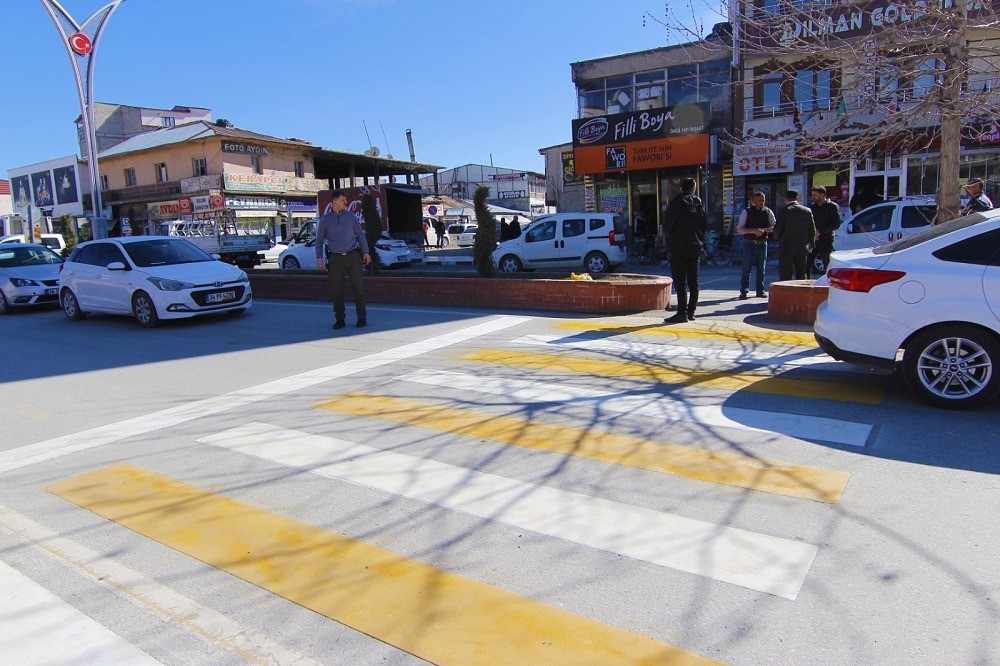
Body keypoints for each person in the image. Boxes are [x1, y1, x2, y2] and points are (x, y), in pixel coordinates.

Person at [315, 190, 372, 329]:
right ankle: (340, 319)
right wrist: (319, 258)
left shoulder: (350, 216)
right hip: (335, 259)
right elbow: (319, 240)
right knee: (337, 291)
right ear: (334, 201)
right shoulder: (325, 219)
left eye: (346, 200)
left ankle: (362, 318)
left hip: (352, 256)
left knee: (358, 289)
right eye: (342, 200)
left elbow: (360, 235)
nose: (345, 202)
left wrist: (366, 252)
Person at [662, 178, 707, 323]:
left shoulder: (676, 203)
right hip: (695, 247)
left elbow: (668, 226)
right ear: (693, 189)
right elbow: (705, 225)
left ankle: (682, 314)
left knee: (681, 282)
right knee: (694, 281)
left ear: (681, 188)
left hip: (679, 247)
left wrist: (670, 239)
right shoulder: (699, 202)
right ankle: (691, 312)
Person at [736, 191, 775, 299]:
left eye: (763, 200)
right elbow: (740, 229)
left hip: (762, 243)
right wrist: (753, 231)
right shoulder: (747, 212)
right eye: (759, 200)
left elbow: (775, 227)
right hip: (749, 243)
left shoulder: (767, 212)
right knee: (746, 268)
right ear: (753, 201)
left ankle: (760, 290)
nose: (762, 202)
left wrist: (764, 230)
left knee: (761, 269)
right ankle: (744, 291)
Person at [774, 190, 816, 282]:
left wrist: (777, 238)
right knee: (801, 273)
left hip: (786, 247)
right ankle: (800, 294)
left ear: (786, 199)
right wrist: (811, 244)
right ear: (797, 198)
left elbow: (777, 229)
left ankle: (786, 294)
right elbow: (812, 229)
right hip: (802, 247)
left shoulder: (784, 211)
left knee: (785, 274)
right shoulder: (807, 211)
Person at [808, 187, 841, 277]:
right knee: (806, 264)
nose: (813, 197)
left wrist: (820, 231)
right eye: (812, 195)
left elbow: (836, 224)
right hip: (812, 240)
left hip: (826, 240)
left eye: (815, 195)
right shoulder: (811, 207)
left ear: (823, 195)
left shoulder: (832, 206)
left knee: (828, 265)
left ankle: (829, 285)